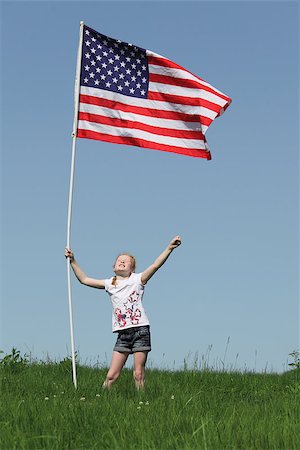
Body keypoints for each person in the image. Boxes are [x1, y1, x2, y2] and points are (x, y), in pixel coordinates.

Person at [65, 235, 181, 390]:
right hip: (123, 334)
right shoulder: (109, 284)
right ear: (114, 267)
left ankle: (142, 403)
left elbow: (155, 265)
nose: (121, 261)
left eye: (125, 261)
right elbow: (84, 280)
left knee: (138, 374)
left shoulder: (137, 280)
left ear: (132, 269)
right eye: (119, 260)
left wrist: (169, 248)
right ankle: (101, 400)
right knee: (111, 375)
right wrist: (73, 260)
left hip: (140, 330)